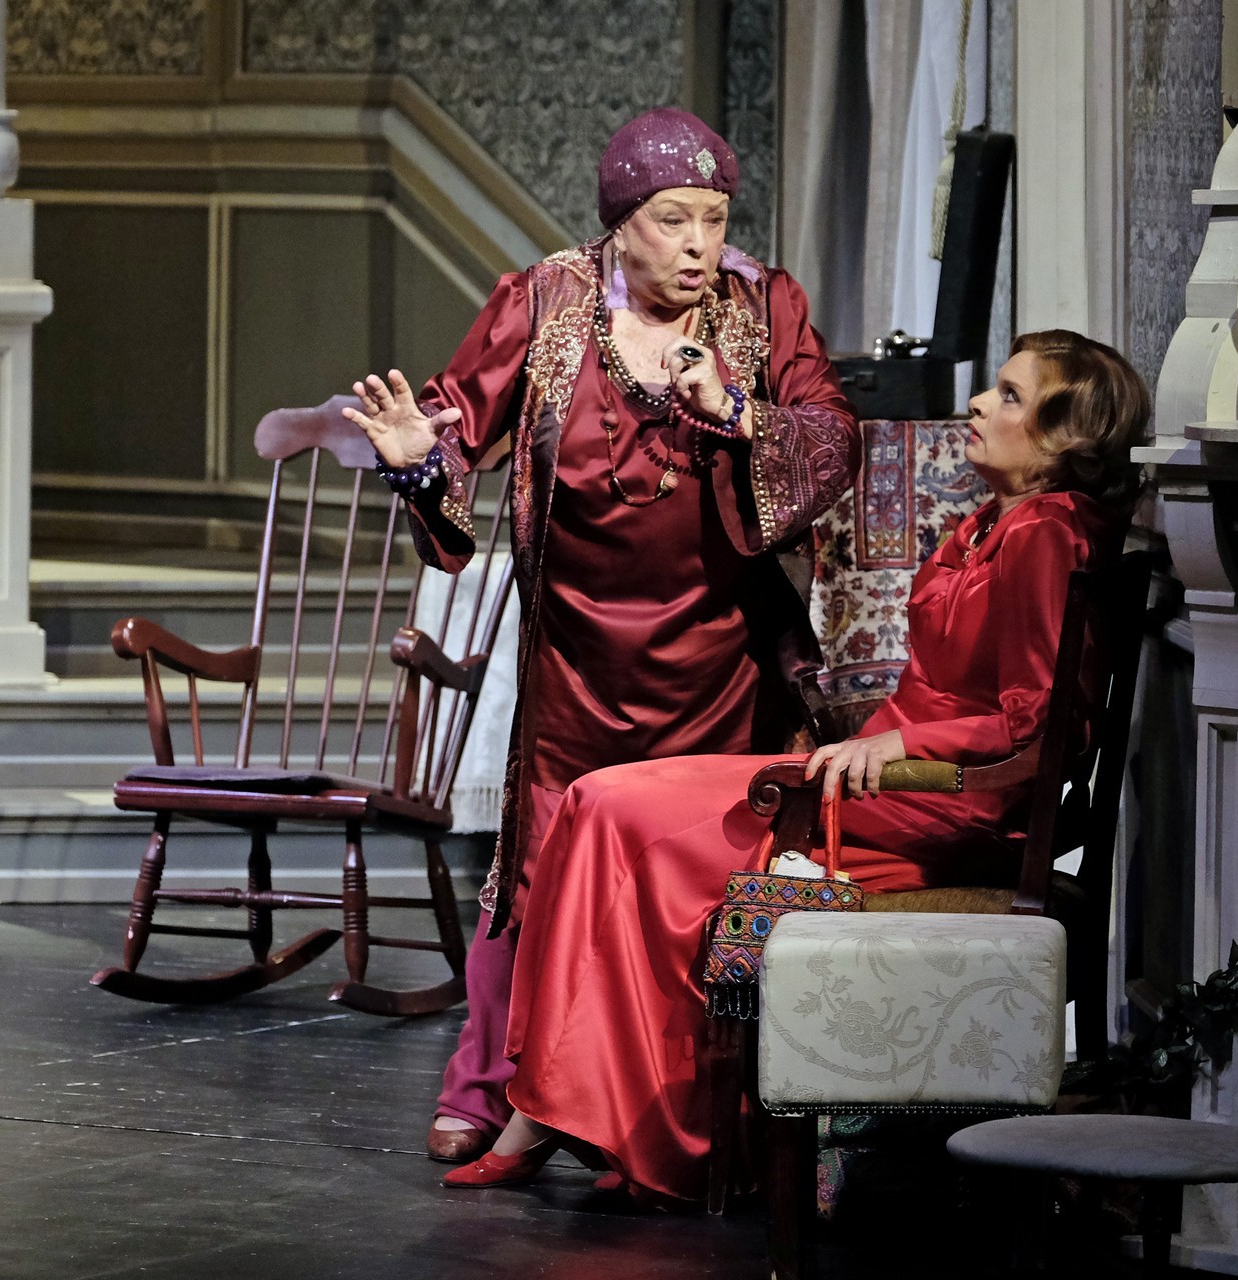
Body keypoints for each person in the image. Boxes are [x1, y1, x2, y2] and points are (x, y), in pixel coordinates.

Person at [440, 329, 1149, 1203]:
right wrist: (867, 742)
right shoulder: (993, 523)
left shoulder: (1046, 533)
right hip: (875, 783)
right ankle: (564, 1104)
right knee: (595, 799)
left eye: (1010, 396)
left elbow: (1045, 724)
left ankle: (617, 1128)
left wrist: (901, 747)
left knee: (630, 824)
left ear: (1064, 436)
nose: (978, 403)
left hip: (934, 808)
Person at [344, 107, 859, 1163]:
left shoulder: (765, 307)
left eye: (715, 219)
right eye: (673, 220)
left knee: (695, 878)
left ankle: (670, 1112)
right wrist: (416, 460)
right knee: (542, 866)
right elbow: (454, 429)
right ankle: (496, 1082)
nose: (699, 244)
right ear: (621, 222)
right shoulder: (543, 301)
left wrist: (736, 412)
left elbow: (830, 435)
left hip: (721, 658)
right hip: (578, 656)